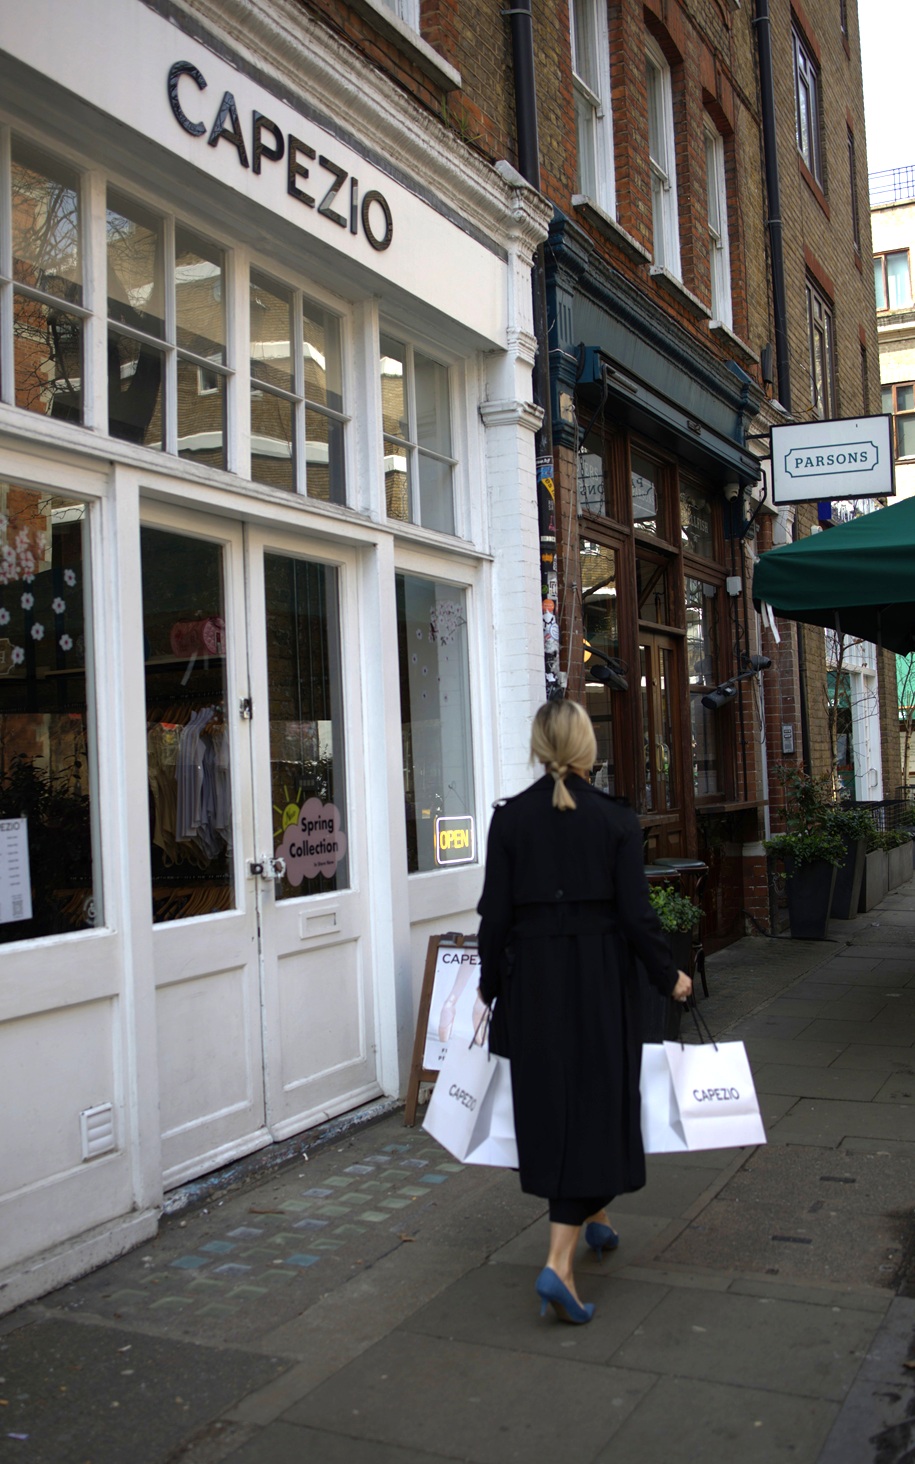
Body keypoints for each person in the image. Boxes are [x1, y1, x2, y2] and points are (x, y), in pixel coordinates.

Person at [476, 699, 691, 1325]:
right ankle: (558, 1265)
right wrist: (668, 975)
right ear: (586, 747)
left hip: (533, 985)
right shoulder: (614, 820)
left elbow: (495, 917)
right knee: (598, 1105)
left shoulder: (510, 820)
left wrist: (490, 985)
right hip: (598, 983)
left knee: (553, 1107)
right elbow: (637, 916)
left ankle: (597, 1218)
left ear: (539, 747)